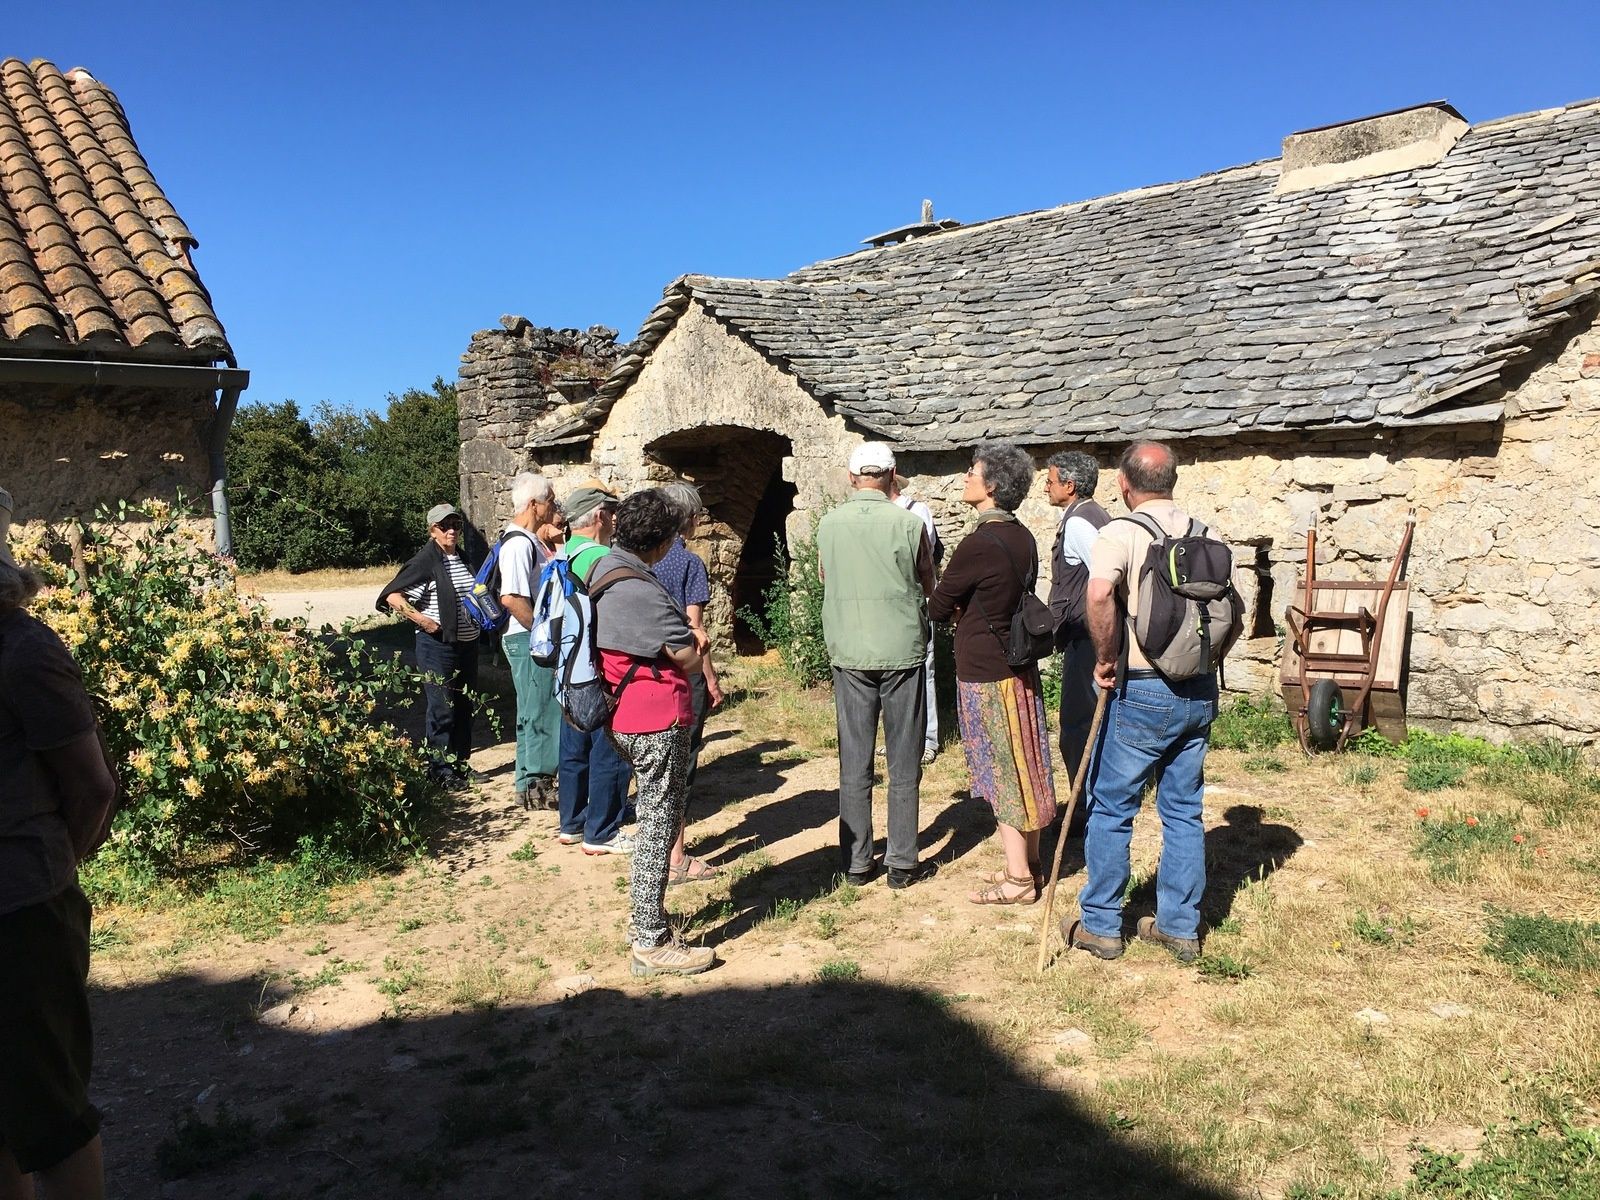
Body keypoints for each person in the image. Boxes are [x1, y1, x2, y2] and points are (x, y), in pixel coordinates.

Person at [1, 488, 118, 1200]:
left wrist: (47, 867)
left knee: (47, 1113)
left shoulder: (22, 651)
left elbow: (93, 787)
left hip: (20, 917)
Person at [1066, 441, 1220, 963]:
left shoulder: (1122, 532)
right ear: (1173, 480)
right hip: (1198, 688)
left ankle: (1102, 924)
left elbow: (1097, 594)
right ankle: (1179, 925)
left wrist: (1106, 658)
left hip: (1142, 687)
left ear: (1124, 485)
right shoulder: (1207, 533)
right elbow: (1233, 611)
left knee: (1111, 806)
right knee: (1183, 810)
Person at [589, 489, 714, 977]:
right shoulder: (642, 590)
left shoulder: (602, 567)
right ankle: (650, 938)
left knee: (654, 818)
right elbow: (685, 654)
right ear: (661, 542)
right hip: (653, 714)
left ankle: (649, 925)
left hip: (620, 711)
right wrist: (697, 642)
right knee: (658, 825)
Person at [928, 443, 1059, 904]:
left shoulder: (978, 542)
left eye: (973, 472)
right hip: (1018, 665)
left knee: (1003, 770)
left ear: (993, 486)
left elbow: (939, 605)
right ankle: (1030, 863)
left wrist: (956, 604)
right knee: (1028, 761)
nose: (965, 477)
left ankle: (1019, 880)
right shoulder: (1021, 535)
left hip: (985, 671)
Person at [817, 442, 936, 889]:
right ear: (892, 476)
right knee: (904, 758)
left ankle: (856, 861)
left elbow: (828, 575)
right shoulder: (908, 523)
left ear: (852, 479)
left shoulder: (828, 524)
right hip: (901, 647)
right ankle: (902, 861)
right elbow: (928, 580)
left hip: (849, 648)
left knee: (855, 757)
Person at [554, 482, 633, 855]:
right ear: (600, 515)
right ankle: (601, 830)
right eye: (612, 511)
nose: (616, 518)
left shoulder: (563, 553)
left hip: (567, 664)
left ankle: (572, 822)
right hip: (599, 667)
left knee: (574, 743)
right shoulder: (600, 557)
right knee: (610, 746)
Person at [379, 503, 481, 788]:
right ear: (432, 529)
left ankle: (460, 765)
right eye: (444, 525)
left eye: (456, 525)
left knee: (464, 704)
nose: (451, 530)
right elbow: (394, 597)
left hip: (466, 643)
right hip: (437, 646)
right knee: (442, 708)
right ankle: (439, 771)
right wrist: (422, 621)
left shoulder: (461, 557)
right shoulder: (426, 560)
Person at [654, 482, 723, 885]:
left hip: (647, 671)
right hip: (682, 672)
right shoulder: (688, 563)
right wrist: (710, 678)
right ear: (687, 519)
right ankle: (676, 857)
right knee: (683, 761)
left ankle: (657, 848)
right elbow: (695, 629)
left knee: (657, 763)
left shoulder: (640, 559)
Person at [1044, 450, 1110, 836]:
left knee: (1076, 723)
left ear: (1069, 485)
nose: (1046, 486)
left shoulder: (1081, 524)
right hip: (1088, 635)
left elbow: (1103, 582)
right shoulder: (1090, 515)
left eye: (1051, 480)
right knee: (1083, 722)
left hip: (1088, 638)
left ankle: (1086, 810)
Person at [496, 472, 564, 810]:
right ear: (534, 504)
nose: (553, 506)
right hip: (527, 640)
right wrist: (543, 637)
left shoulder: (525, 539)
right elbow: (511, 598)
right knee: (541, 711)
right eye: (550, 500)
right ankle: (540, 787)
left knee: (530, 711)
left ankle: (527, 786)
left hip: (525, 639)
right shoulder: (519, 543)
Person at [890, 473, 942, 764]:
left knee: (926, 666)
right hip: (887, 602)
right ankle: (898, 736)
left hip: (915, 599)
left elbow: (922, 554)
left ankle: (928, 738)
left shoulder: (916, 512)